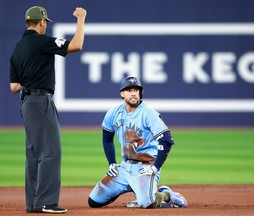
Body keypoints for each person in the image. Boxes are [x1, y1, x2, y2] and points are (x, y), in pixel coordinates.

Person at [9, 6, 87, 214]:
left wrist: (31, 77)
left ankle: (33, 203)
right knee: (51, 151)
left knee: (34, 154)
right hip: (40, 101)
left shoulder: (18, 48)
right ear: (42, 22)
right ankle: (45, 202)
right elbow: (76, 45)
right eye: (45, 23)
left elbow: (14, 87)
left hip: (26, 102)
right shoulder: (42, 42)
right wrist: (81, 19)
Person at [88, 76, 188, 209]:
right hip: (124, 168)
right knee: (94, 201)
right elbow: (107, 139)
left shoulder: (148, 113)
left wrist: (155, 167)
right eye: (129, 90)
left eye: (136, 90)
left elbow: (166, 140)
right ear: (122, 94)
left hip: (145, 167)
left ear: (140, 93)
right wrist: (111, 163)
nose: (133, 93)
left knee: (148, 203)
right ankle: (137, 188)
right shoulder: (113, 113)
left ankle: (167, 195)